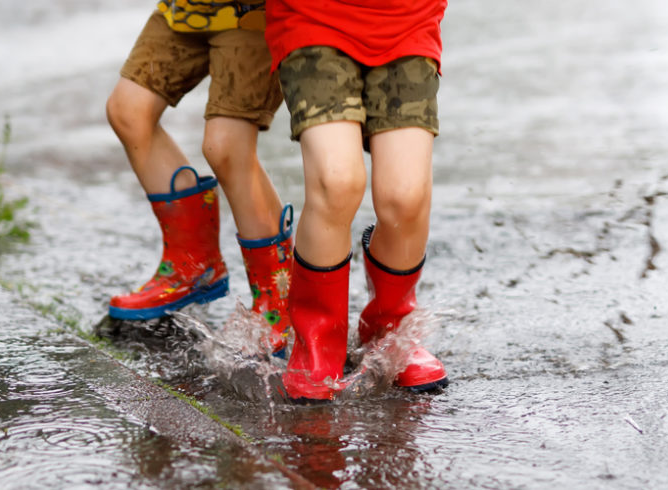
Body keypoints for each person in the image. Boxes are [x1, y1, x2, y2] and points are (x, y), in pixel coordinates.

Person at [264, 0, 450, 401]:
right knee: (337, 182)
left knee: (406, 198)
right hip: (312, 18)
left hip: (406, 20)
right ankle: (317, 343)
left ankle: (390, 331)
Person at [105, 0, 293, 356]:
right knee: (128, 110)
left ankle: (279, 299)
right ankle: (193, 266)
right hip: (187, 7)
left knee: (226, 147)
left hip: (253, 14)